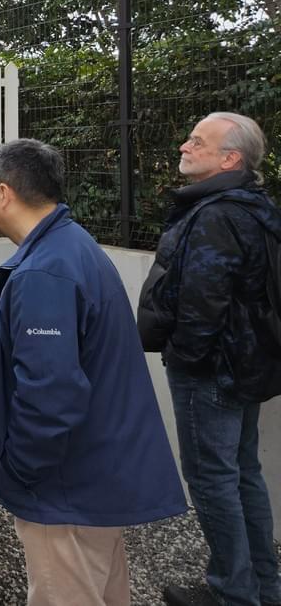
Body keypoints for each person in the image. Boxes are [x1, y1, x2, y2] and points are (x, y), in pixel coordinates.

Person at [0, 138, 186, 606]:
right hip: (91, 473)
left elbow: (50, 393)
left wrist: (21, 470)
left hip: (64, 486)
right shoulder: (71, 245)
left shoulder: (44, 272)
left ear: (4, 193)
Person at [138, 113, 281, 606]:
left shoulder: (217, 214)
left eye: (197, 141)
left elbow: (202, 303)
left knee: (213, 478)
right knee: (242, 473)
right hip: (245, 365)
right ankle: (262, 587)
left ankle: (233, 593)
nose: (183, 144)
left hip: (212, 371)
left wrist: (183, 356)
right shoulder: (253, 206)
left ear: (230, 158)